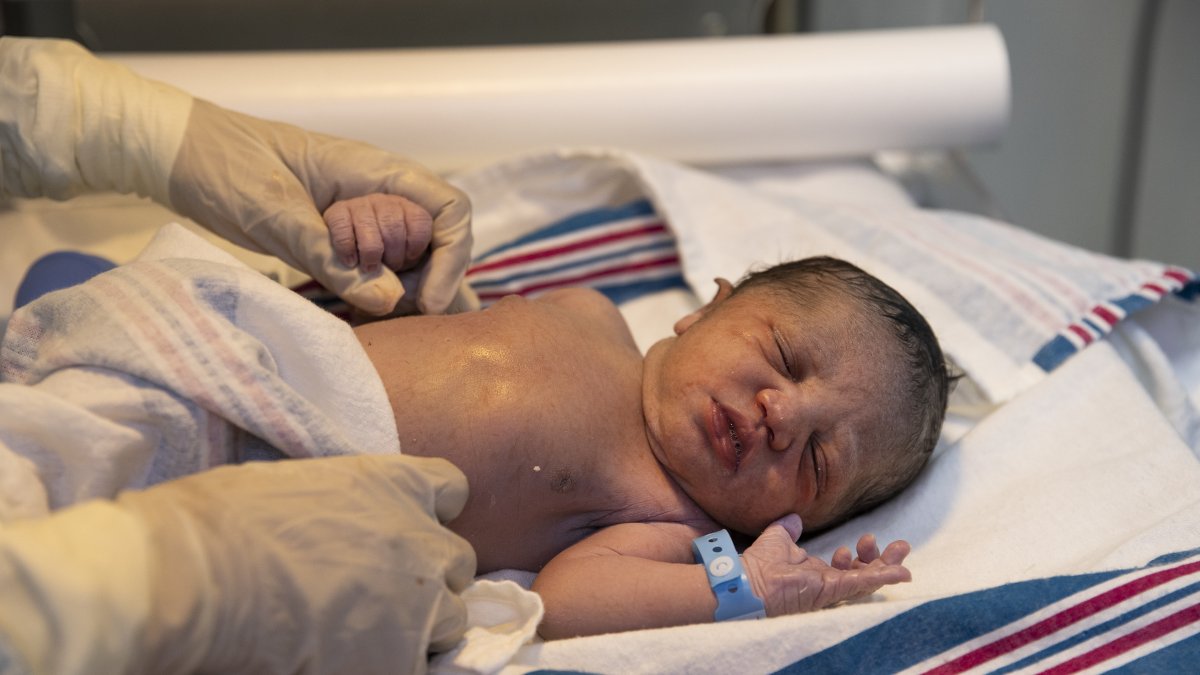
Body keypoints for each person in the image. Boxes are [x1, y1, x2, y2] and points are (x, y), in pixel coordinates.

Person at [0, 36, 477, 674]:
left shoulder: (648, 503)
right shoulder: (602, 328)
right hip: (220, 391)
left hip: (220, 448)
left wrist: (121, 125)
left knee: (65, 287)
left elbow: (579, 597)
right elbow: (382, 329)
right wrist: (385, 244)